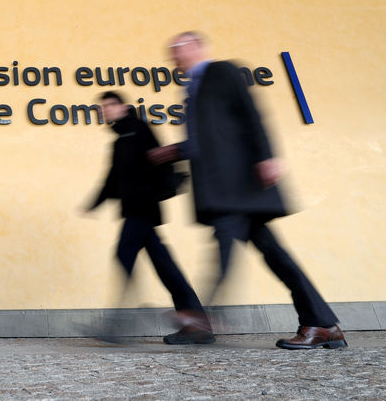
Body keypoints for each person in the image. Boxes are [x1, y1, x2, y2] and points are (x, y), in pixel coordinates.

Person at [148, 31, 346, 349]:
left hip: (238, 184)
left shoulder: (221, 71)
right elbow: (208, 139)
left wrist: (267, 156)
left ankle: (201, 319)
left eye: (178, 48)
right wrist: (172, 152)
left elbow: (252, 114)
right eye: (170, 51)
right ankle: (323, 325)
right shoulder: (189, 89)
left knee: (225, 247)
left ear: (197, 47)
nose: (173, 55)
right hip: (225, 189)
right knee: (277, 257)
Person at [85, 91, 214, 345]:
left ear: (123, 107)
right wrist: (95, 203)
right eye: (102, 107)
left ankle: (120, 324)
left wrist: (152, 191)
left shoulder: (138, 129)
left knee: (125, 255)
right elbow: (113, 177)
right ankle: (196, 323)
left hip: (143, 208)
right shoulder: (120, 138)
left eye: (110, 105)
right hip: (136, 209)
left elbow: (158, 159)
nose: (105, 110)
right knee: (165, 266)